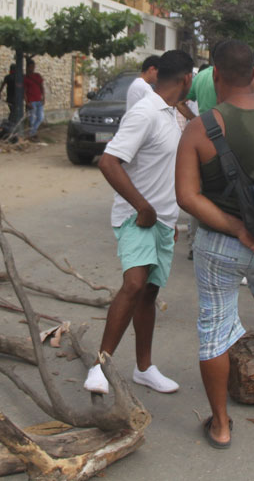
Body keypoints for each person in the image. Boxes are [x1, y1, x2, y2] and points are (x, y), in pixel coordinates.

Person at [175, 40, 254, 450]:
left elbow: (187, 197)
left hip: (223, 246)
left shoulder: (201, 126)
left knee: (214, 327)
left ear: (217, 76)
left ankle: (221, 425)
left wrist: (236, 228)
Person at [83, 50, 195, 395]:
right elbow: (108, 162)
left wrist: (169, 220)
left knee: (148, 293)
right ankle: (100, 366)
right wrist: (142, 207)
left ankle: (144, 368)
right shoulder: (146, 111)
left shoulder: (171, 113)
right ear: (187, 79)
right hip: (137, 217)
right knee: (133, 284)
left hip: (163, 220)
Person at [24, 58, 44, 138]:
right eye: (31, 67)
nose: (32, 68)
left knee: (40, 117)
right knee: (32, 118)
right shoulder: (25, 78)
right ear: (28, 67)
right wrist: (27, 102)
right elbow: (24, 92)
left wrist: (43, 97)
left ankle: (32, 132)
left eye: (33, 66)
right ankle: (32, 134)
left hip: (39, 100)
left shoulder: (37, 76)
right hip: (31, 101)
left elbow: (41, 87)